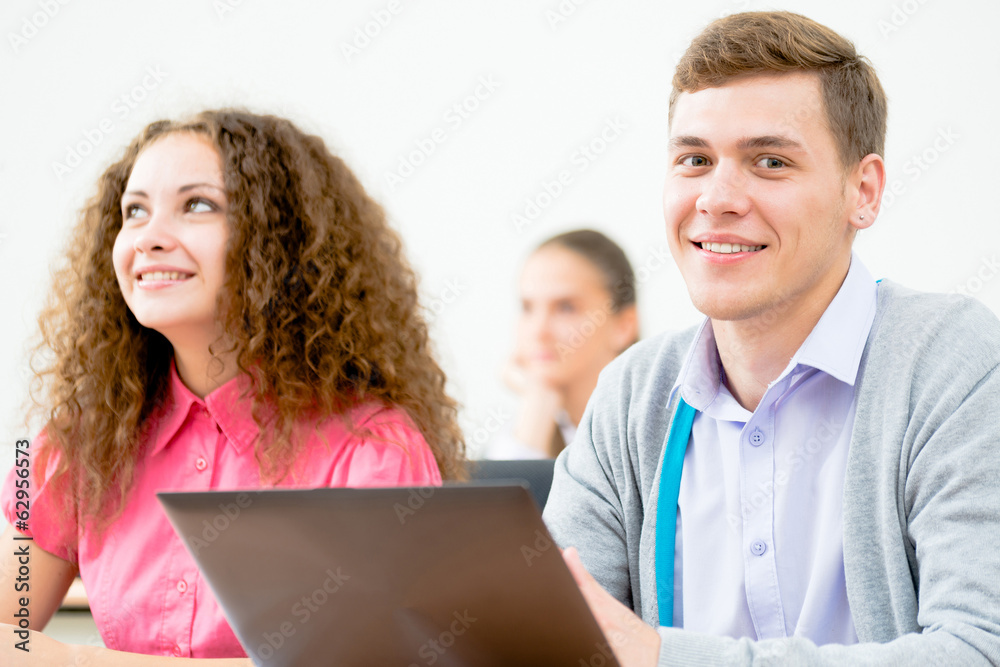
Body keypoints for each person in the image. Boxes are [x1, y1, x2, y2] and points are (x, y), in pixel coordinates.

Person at [542, 11, 1000, 666]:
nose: (717, 198)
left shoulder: (953, 364)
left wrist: (664, 656)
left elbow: (978, 650)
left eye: (770, 161)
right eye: (694, 159)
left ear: (862, 192)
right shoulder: (632, 396)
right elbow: (555, 639)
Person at [0, 109, 465, 664]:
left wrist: (74, 659)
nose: (149, 237)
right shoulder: (80, 441)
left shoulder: (374, 449)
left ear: (280, 241)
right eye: (135, 211)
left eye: (197, 205)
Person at [486, 229, 639, 459]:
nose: (539, 331)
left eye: (566, 307)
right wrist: (537, 398)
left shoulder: (656, 435)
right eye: (527, 307)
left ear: (624, 326)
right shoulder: (521, 432)